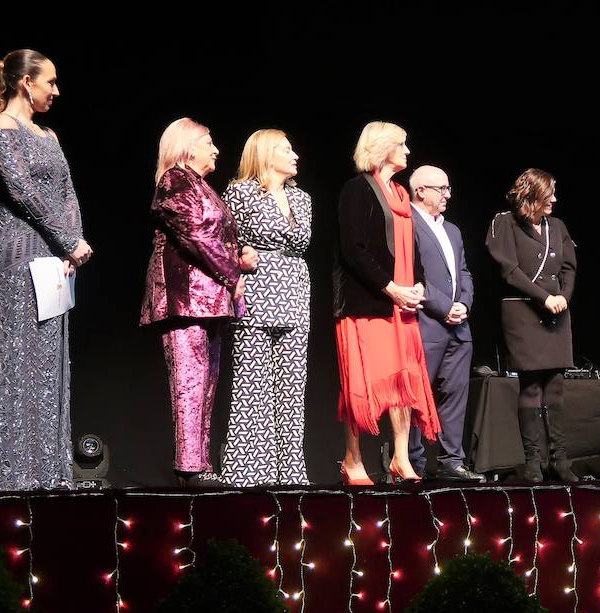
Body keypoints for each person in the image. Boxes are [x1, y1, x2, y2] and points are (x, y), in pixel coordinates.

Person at [0, 49, 93, 490]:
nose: (56, 91)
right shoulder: (0, 126)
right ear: (27, 83)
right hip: (17, 249)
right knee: (19, 357)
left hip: (54, 254)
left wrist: (70, 248)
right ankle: (17, 476)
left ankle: (52, 472)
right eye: (51, 82)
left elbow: (68, 193)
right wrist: (70, 240)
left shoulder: (51, 136)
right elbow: (21, 190)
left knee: (50, 362)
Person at [140, 118, 257, 487]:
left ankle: (201, 465)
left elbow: (214, 238)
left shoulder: (202, 186)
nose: (216, 150)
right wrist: (234, 270)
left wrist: (237, 259)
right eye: (209, 142)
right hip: (184, 297)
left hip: (209, 299)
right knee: (189, 382)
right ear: (188, 146)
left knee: (206, 384)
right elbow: (197, 235)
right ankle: (189, 467)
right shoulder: (175, 180)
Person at [334, 121, 439, 485]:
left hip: (402, 304)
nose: (408, 151)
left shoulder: (400, 194)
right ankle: (352, 458)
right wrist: (390, 286)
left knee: (403, 382)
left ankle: (400, 458)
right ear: (382, 147)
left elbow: (412, 248)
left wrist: (419, 284)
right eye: (402, 145)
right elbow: (354, 250)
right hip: (368, 302)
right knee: (363, 382)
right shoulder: (357, 190)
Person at [221, 129, 312, 486]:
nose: (295, 156)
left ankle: (290, 475)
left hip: (294, 291)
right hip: (257, 290)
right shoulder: (239, 192)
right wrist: (240, 257)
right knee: (252, 383)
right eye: (286, 150)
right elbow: (225, 242)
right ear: (265, 154)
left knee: (292, 389)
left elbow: (302, 241)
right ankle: (249, 475)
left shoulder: (302, 198)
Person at [485, 168, 578, 482]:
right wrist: (544, 297)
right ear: (531, 196)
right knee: (531, 385)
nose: (554, 199)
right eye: (548, 194)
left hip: (557, 312)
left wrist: (563, 296)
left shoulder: (559, 226)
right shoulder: (504, 223)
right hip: (523, 311)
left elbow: (568, 267)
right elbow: (510, 271)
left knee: (556, 384)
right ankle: (533, 461)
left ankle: (560, 459)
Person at [405, 165, 484, 482]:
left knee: (455, 395)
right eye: (443, 189)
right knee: (416, 398)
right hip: (426, 323)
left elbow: (464, 272)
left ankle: (452, 461)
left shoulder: (452, 230)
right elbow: (411, 276)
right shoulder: (406, 224)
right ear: (421, 190)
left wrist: (463, 304)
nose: (448, 195)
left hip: (458, 328)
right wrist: (443, 307)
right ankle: (412, 461)